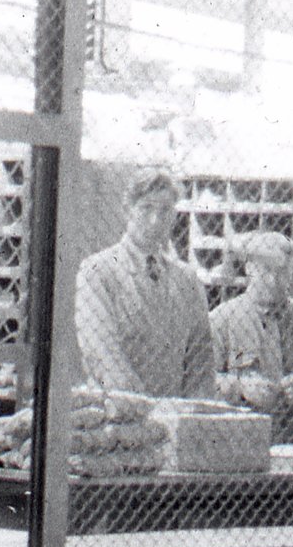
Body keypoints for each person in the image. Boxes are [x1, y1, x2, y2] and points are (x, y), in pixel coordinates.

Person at [75, 169, 215, 397]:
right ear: (127, 210)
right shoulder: (98, 272)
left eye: (165, 210)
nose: (155, 220)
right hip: (119, 415)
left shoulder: (187, 281)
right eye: (146, 208)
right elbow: (103, 354)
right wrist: (145, 413)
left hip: (175, 419)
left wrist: (191, 416)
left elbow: (201, 362)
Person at [208, 231, 293, 444]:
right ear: (249, 268)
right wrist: (240, 387)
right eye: (266, 270)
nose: (273, 280)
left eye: (282, 271)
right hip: (240, 441)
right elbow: (200, 383)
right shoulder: (221, 320)